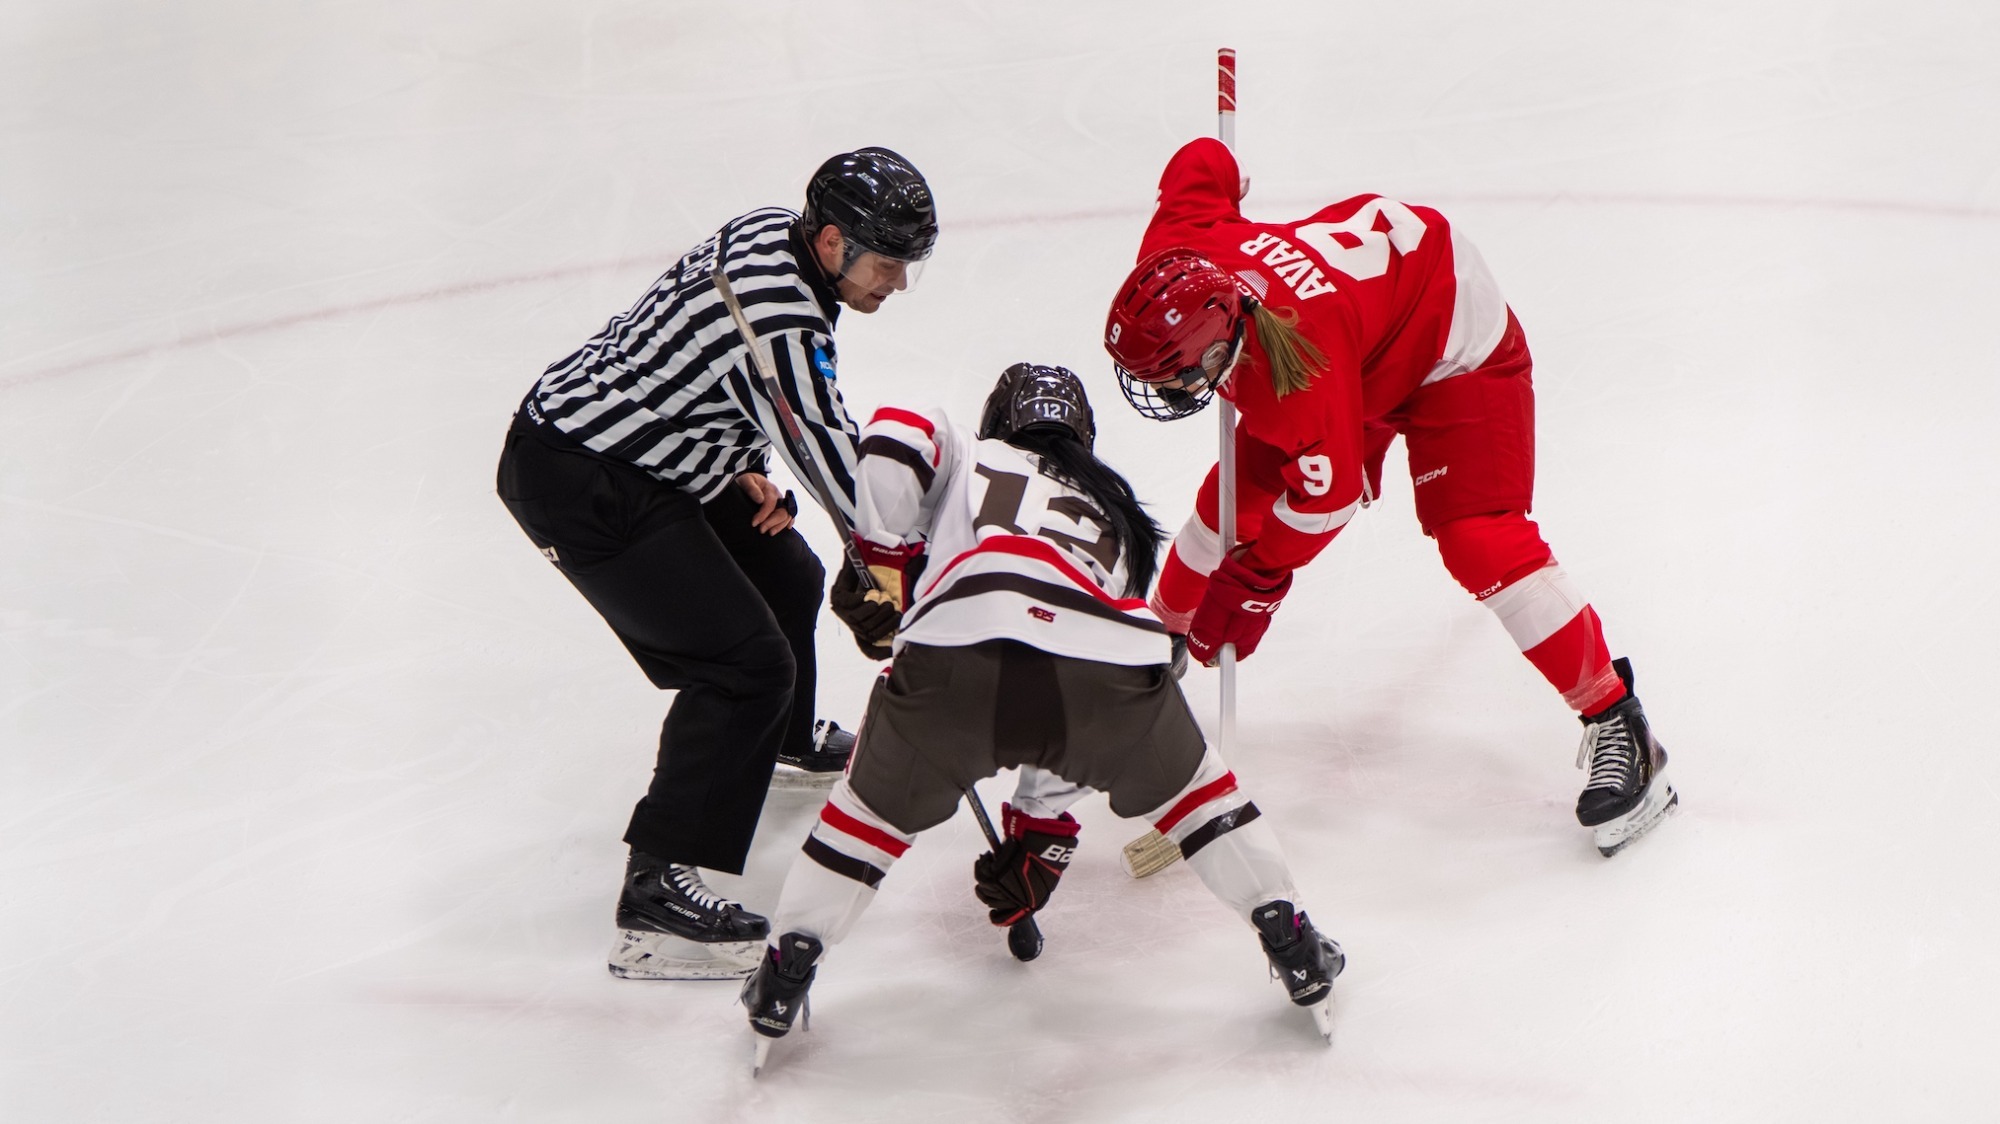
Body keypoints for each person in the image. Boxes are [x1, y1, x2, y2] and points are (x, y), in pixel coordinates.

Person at [740, 364, 1345, 1070]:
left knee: (864, 825)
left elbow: (897, 433)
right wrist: (1040, 831)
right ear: (1082, 435)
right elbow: (1063, 690)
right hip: (1108, 666)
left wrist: (884, 560)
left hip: (954, 660)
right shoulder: (1120, 521)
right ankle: (1289, 935)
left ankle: (789, 966)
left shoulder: (971, 453)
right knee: (1204, 802)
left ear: (999, 419)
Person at [1102, 137, 1677, 858]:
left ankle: (1619, 720)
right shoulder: (1178, 244)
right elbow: (1200, 165)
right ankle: (1159, 641)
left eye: (1177, 374)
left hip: (1448, 335)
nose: (1163, 391)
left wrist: (1260, 577)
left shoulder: (1297, 382)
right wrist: (1225, 166)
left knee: (1478, 538)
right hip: (1357, 333)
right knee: (1233, 500)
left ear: (1223, 343)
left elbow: (1327, 499)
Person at [495, 148, 938, 980]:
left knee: (791, 578)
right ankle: (655, 899)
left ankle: (783, 738)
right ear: (836, 243)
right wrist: (898, 573)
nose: (898, 284)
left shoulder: (779, 231)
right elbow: (830, 452)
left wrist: (728, 455)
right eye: (888, 264)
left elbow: (698, 357)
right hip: (582, 478)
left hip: (656, 453)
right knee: (740, 666)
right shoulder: (781, 313)